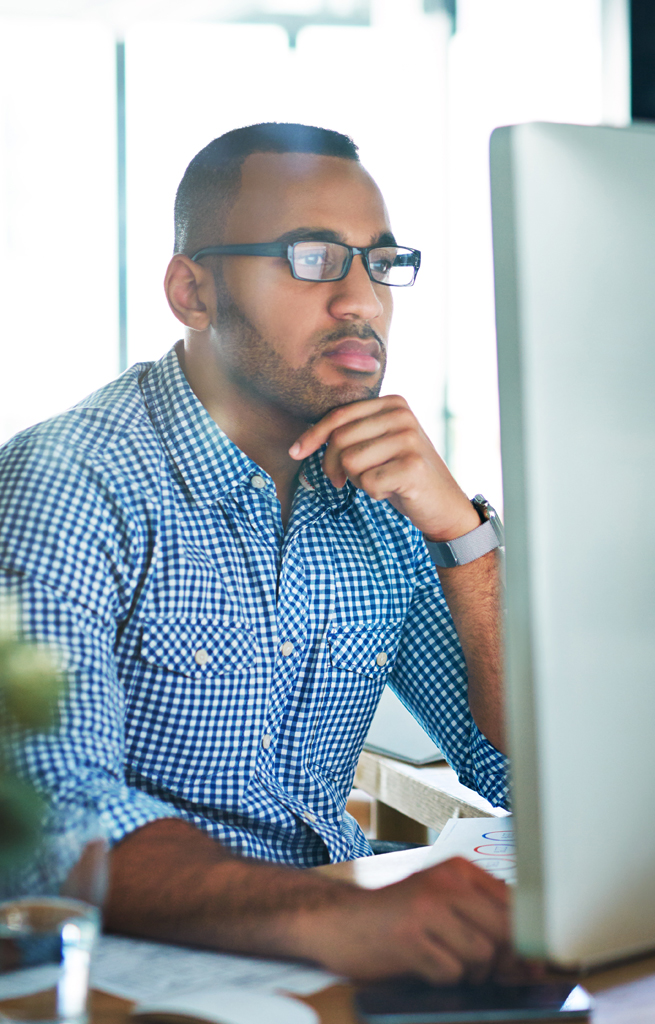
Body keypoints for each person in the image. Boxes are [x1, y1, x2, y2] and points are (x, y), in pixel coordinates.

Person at [0, 123, 510, 982]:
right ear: (192, 291)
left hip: (329, 961)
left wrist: (466, 537)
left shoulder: (387, 498)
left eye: (381, 263)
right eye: (313, 257)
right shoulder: (68, 481)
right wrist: (339, 915)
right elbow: (51, 820)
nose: (362, 301)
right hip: (130, 977)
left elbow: (517, 769)